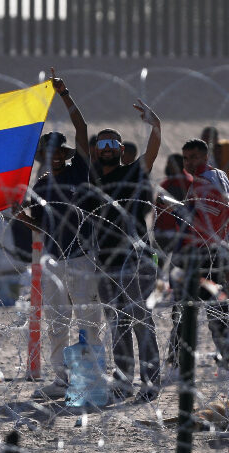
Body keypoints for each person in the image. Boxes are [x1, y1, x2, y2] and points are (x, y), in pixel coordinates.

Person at [14, 69, 103, 399]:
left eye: (57, 151)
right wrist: (18, 215)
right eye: (47, 153)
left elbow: (81, 129)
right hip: (54, 260)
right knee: (56, 324)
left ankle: (91, 379)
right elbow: (39, 225)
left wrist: (64, 95)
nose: (53, 157)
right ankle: (61, 380)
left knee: (89, 321)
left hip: (81, 256)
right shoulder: (40, 185)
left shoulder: (80, 170)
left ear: (64, 154)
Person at [85, 99, 162, 402]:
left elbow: (151, 154)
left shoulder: (131, 173)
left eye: (112, 143)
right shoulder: (90, 179)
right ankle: (124, 381)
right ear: (96, 149)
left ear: (120, 149)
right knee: (117, 324)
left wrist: (156, 126)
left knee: (141, 320)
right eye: (102, 143)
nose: (107, 147)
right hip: (106, 260)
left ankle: (151, 382)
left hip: (136, 259)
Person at [167, 139, 229, 379]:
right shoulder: (218, 176)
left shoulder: (207, 181)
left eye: (193, 157)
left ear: (205, 157)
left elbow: (207, 218)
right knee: (216, 311)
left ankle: (176, 365)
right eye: (185, 158)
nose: (189, 162)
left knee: (184, 312)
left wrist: (178, 210)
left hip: (201, 255)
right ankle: (223, 362)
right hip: (214, 253)